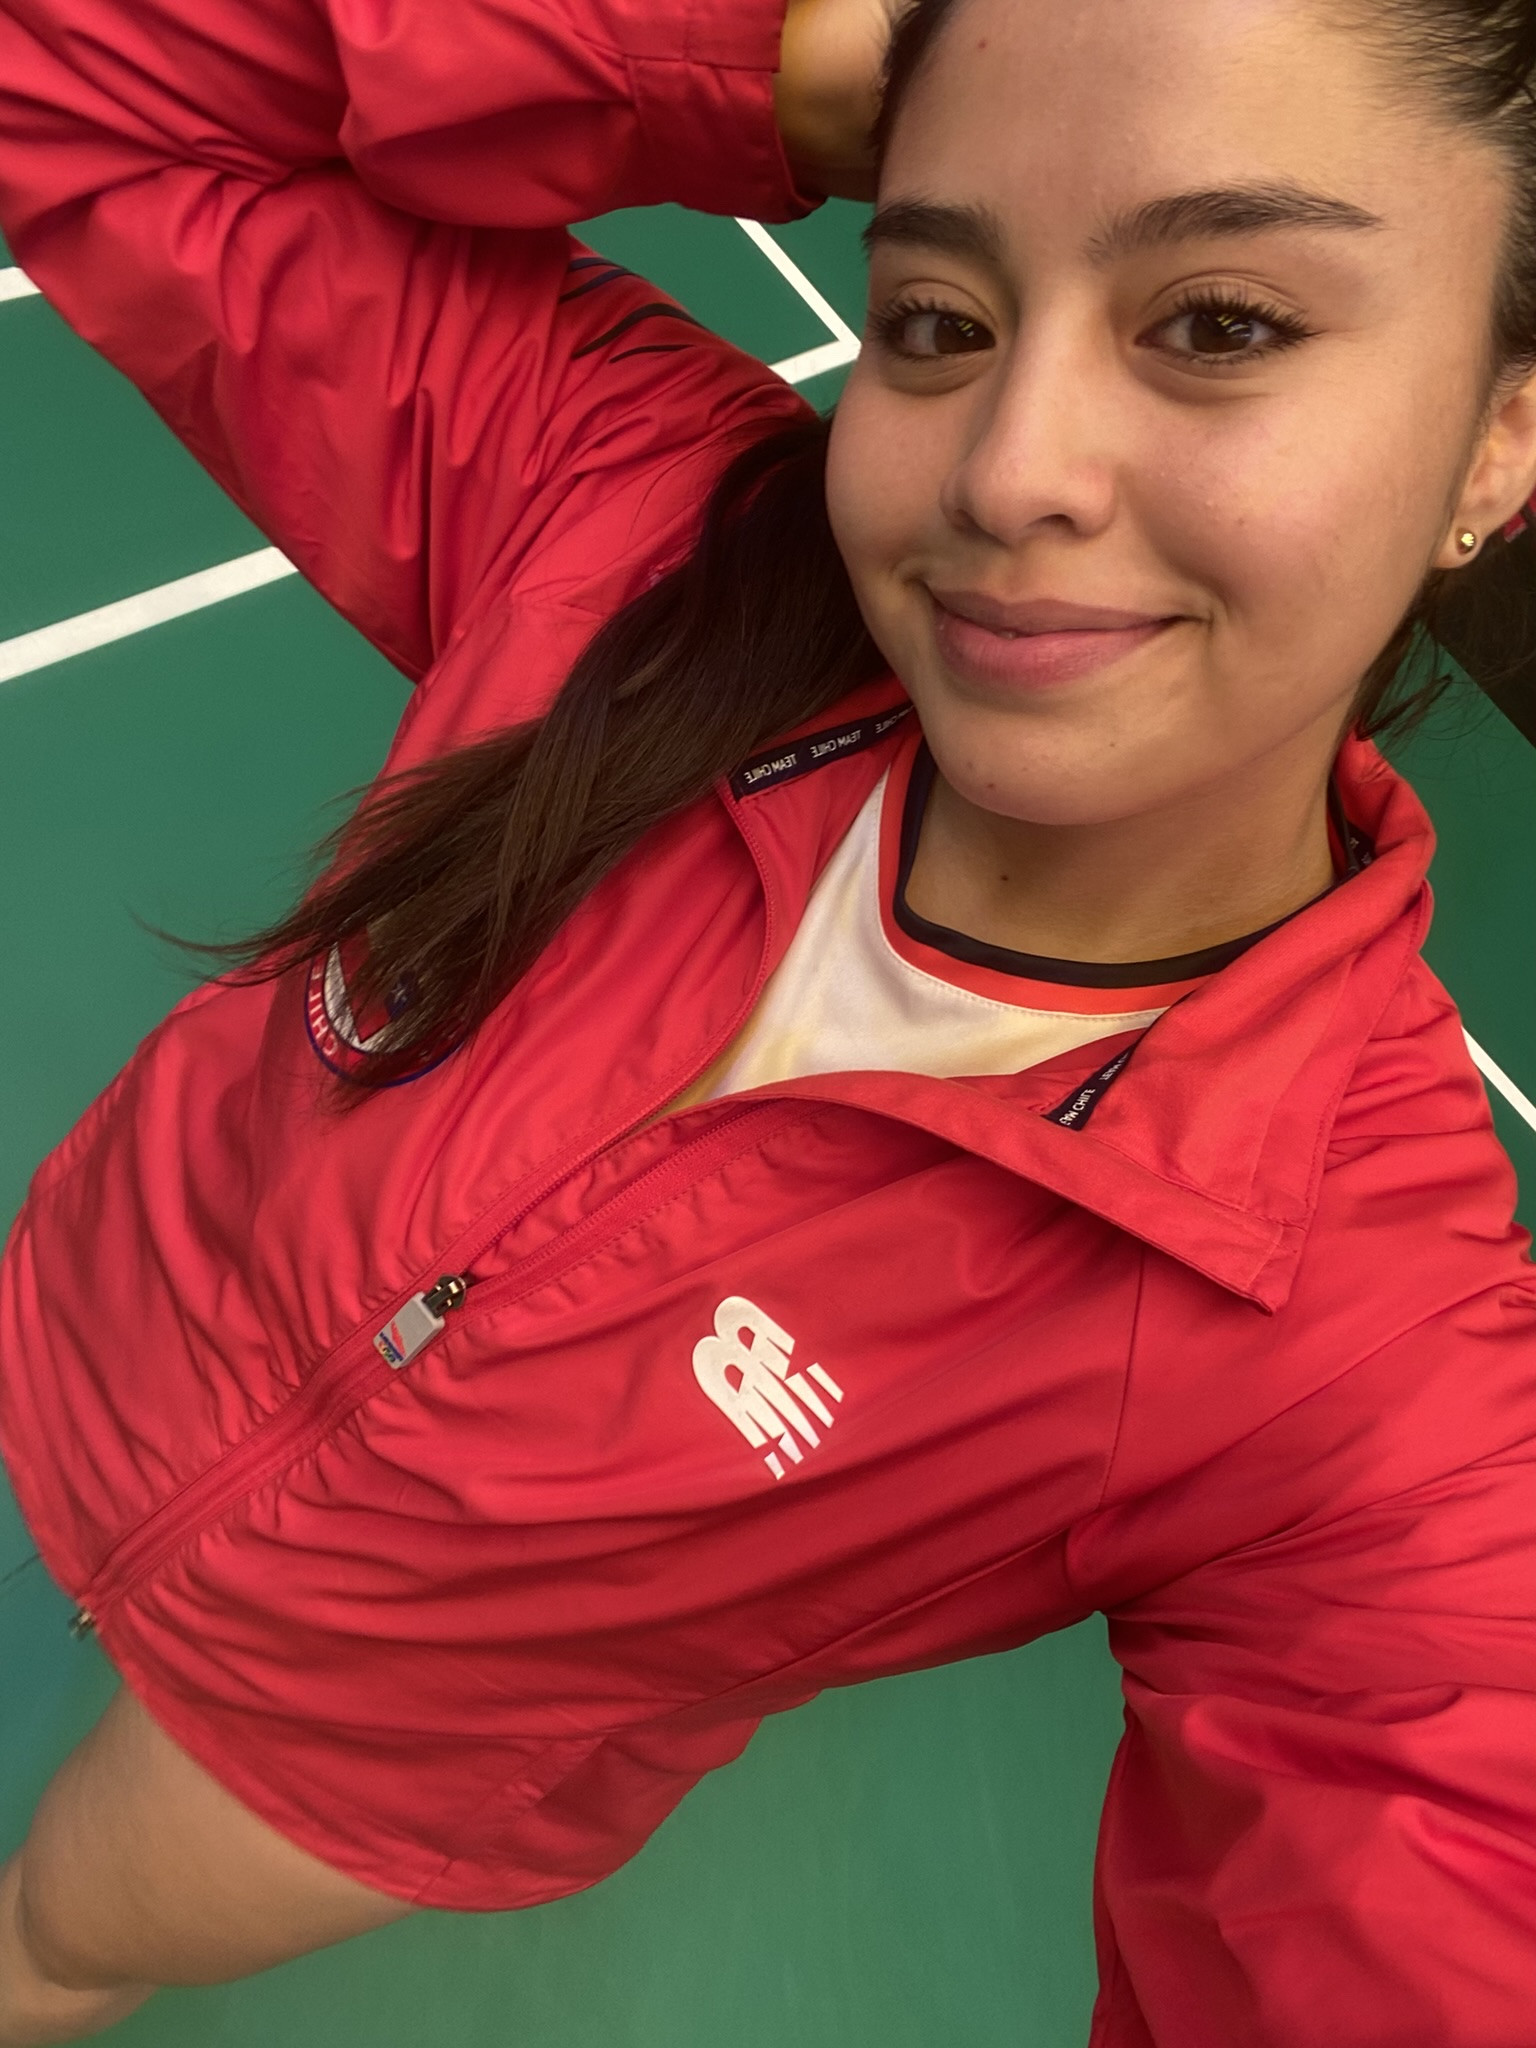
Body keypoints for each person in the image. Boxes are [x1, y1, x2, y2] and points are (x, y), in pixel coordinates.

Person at [1, 0, 1536, 2038]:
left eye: (1221, 323)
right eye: (937, 315)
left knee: (54, 1937)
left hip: (331, 1756)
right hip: (84, 1306)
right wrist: (774, 63)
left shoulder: (1357, 1339)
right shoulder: (638, 516)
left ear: (1500, 435)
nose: (1009, 470)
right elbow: (85, 73)